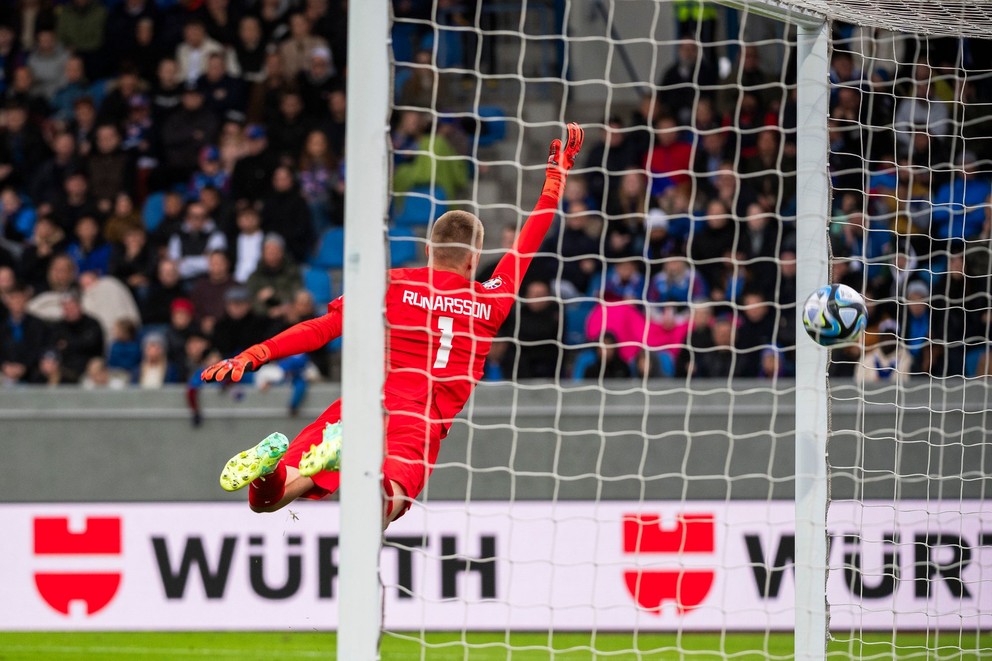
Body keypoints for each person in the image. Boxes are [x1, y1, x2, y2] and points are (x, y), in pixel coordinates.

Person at [201, 123, 584, 528]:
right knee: (382, 509)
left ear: (428, 249)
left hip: (363, 406)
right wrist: (553, 184)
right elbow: (525, 245)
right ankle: (365, 471)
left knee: (269, 501)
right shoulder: (490, 299)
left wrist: (256, 353)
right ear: (473, 260)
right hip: (419, 419)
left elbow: (322, 328)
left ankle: (270, 469)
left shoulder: (392, 284)